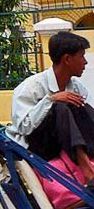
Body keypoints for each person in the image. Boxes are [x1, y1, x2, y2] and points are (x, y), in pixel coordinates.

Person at [7, 31, 94, 190]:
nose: (85, 62)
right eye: (82, 56)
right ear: (67, 59)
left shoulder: (76, 86)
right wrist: (51, 100)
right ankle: (87, 170)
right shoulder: (31, 87)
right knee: (60, 107)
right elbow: (23, 127)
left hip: (66, 143)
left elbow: (87, 120)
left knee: (83, 107)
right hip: (38, 147)